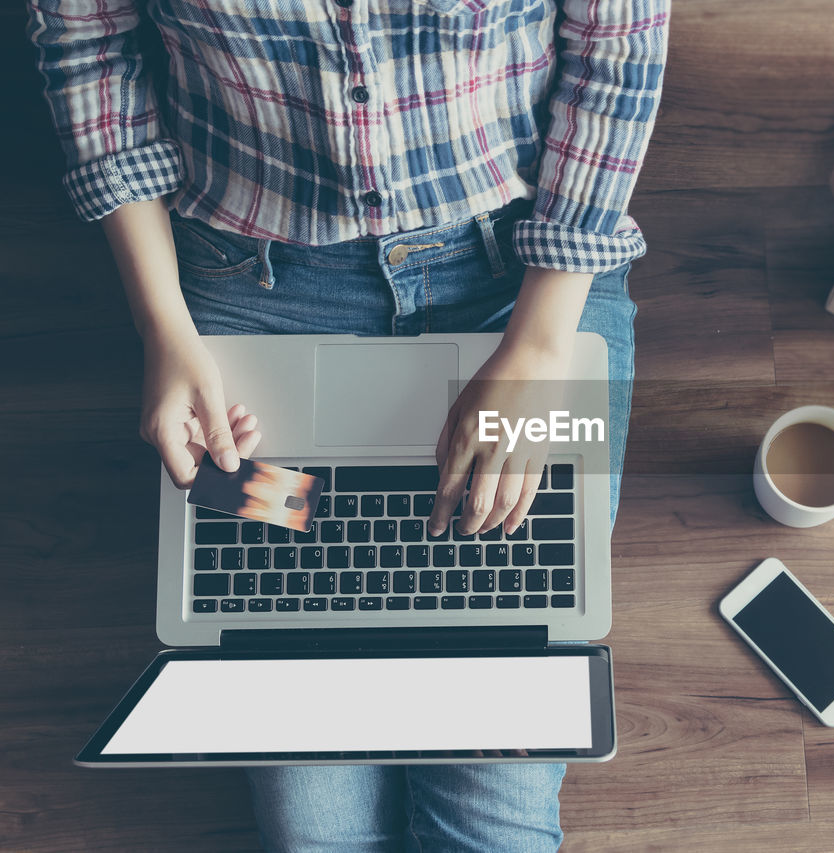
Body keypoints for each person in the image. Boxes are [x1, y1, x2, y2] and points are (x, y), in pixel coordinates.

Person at [28, 0, 668, 849]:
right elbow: (86, 44)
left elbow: (618, 49)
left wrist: (541, 345)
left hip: (521, 280)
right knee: (315, 834)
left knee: (493, 821)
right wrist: (162, 324)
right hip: (250, 299)